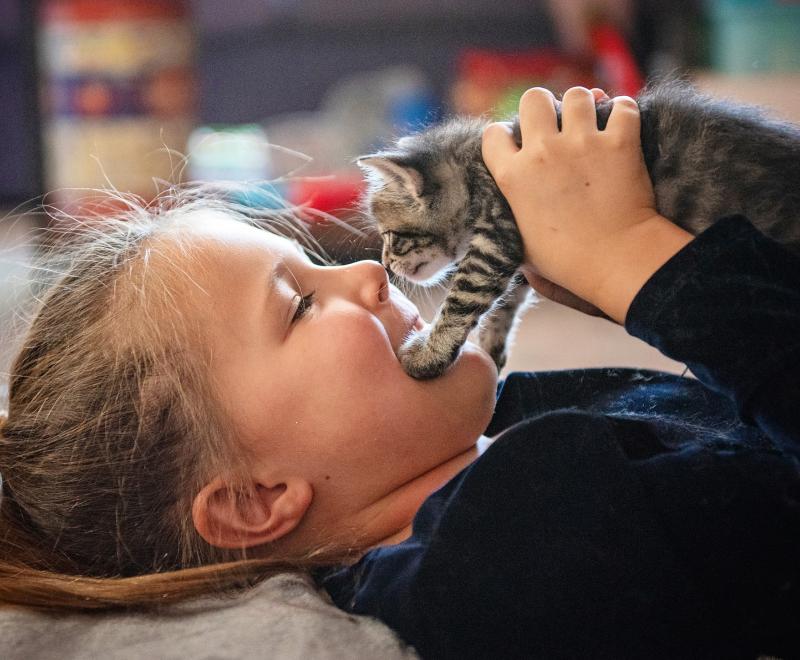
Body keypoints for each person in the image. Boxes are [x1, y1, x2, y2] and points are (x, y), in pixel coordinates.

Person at [0, 86, 797, 659]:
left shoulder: (507, 428)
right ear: (256, 500)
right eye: (301, 305)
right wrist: (644, 266)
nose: (367, 275)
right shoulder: (504, 560)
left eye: (319, 262)